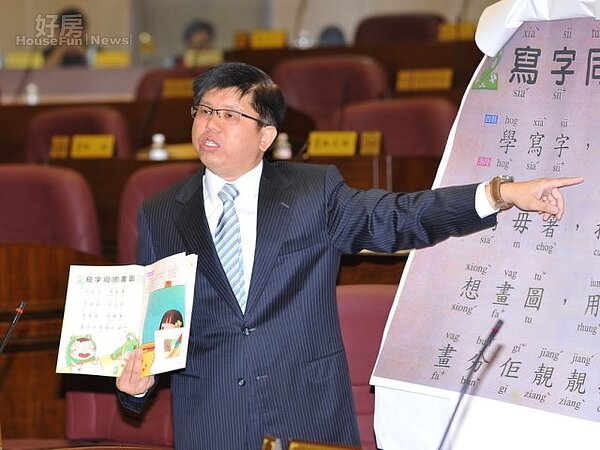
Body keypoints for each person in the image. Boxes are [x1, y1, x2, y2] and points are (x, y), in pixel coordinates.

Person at [116, 62, 583, 449]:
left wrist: (499, 193)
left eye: (229, 115)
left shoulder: (312, 192)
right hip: (211, 421)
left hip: (306, 415)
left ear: (265, 136)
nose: (210, 125)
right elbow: (153, 323)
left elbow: (400, 216)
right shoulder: (161, 213)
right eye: (204, 111)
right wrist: (136, 388)